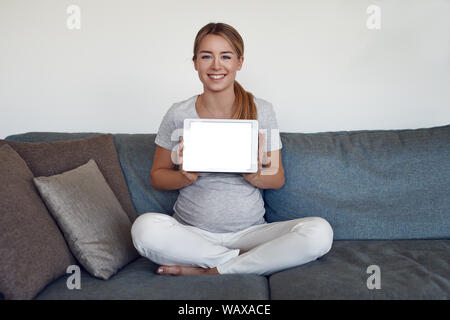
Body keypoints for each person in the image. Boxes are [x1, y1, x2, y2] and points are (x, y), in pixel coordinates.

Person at [131, 22, 333, 276]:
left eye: (225, 56)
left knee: (320, 232)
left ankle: (209, 271)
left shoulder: (262, 110)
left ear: (239, 62)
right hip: (192, 234)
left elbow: (277, 178)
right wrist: (184, 175)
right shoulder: (178, 113)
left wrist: (254, 174)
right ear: (195, 63)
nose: (216, 65)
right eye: (207, 56)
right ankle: (243, 262)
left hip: (250, 233)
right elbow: (157, 176)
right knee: (144, 229)